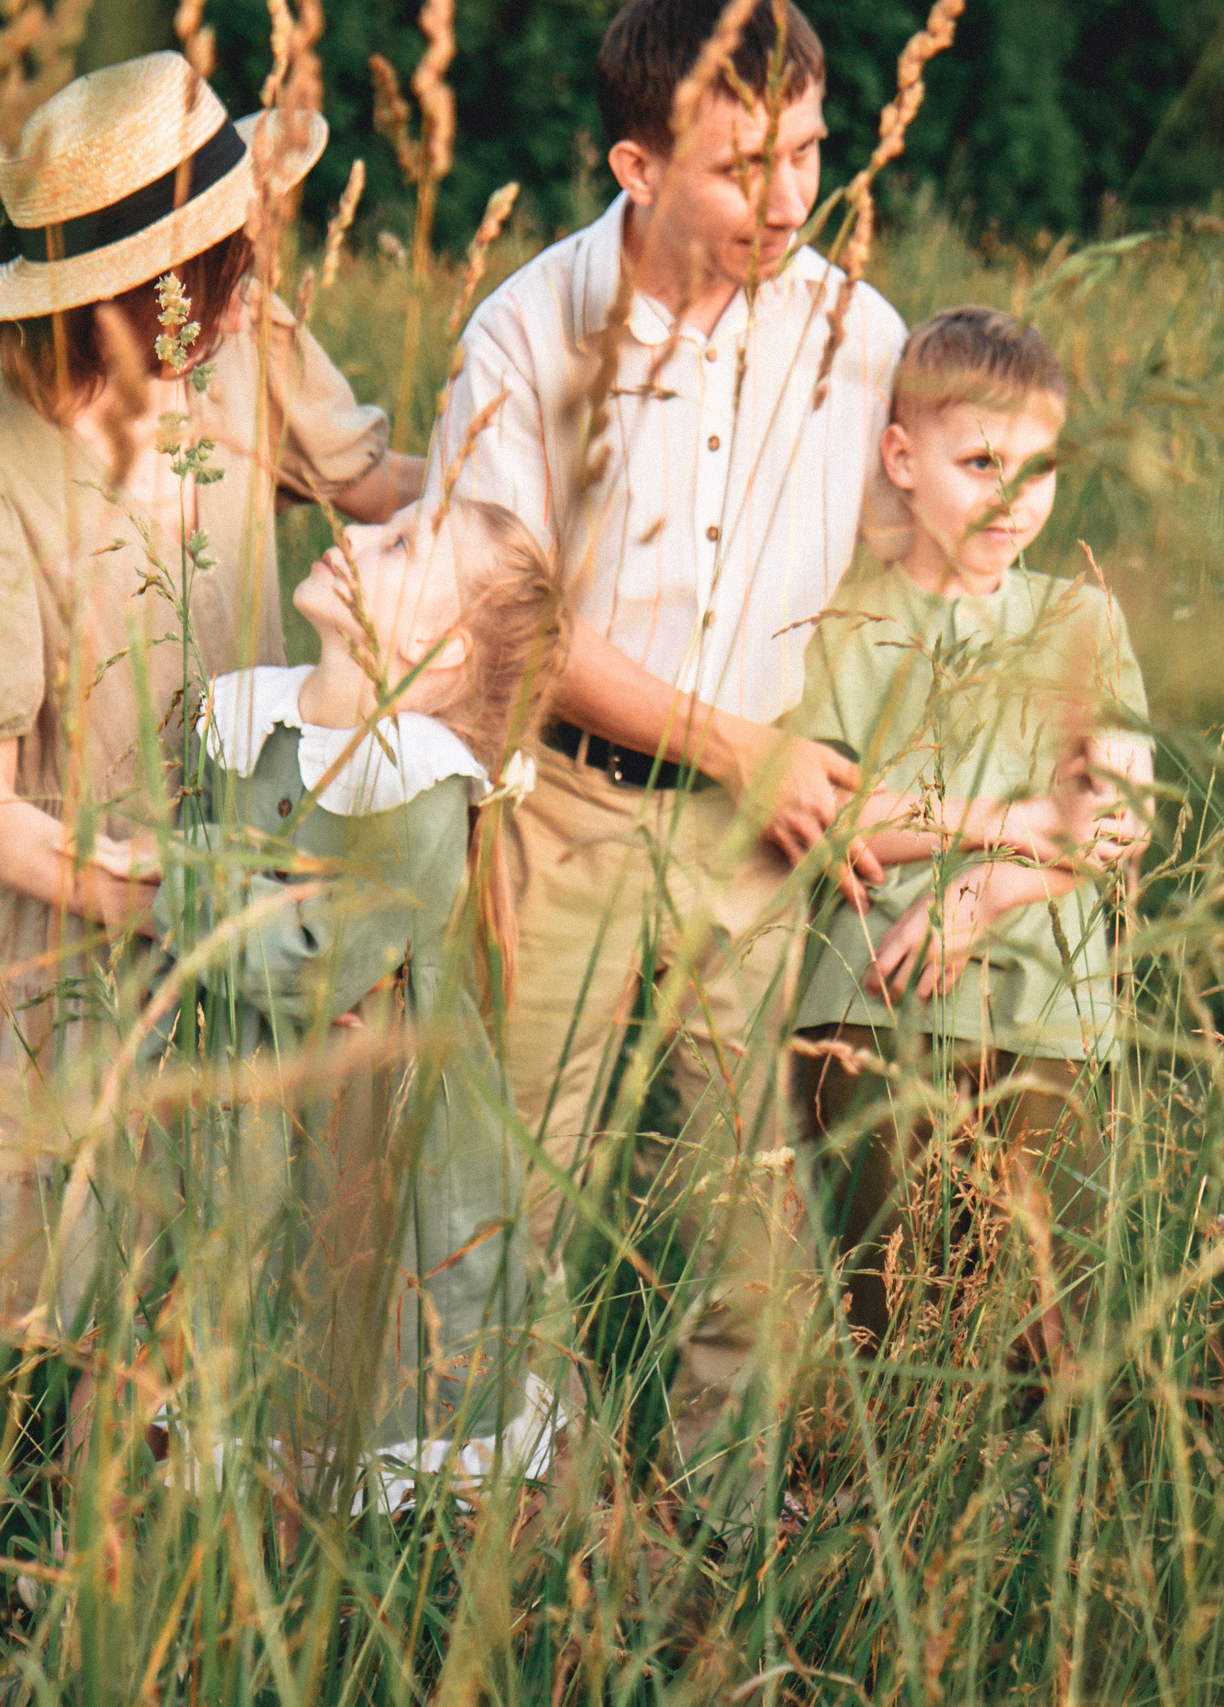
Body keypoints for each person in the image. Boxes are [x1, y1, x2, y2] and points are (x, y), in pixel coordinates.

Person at [0, 51, 425, 1337]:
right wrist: (168, 892)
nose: (242, 297)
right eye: (218, 271)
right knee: (62, 1276)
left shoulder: (234, 338)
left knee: (257, 1242)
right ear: (111, 302)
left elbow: (373, 486)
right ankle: (22, 1483)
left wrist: (536, 498)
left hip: (272, 861)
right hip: (76, 912)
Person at [423, 0, 908, 1446]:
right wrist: (726, 741)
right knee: (503, 1203)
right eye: (738, 167)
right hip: (555, 807)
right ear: (636, 167)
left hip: (763, 837)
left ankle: (720, 1568)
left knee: (753, 1230)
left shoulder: (858, 333)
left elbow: (901, 583)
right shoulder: (524, 327)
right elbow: (507, 613)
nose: (787, 199)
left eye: (810, 152)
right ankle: (515, 1530)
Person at [148, 498, 568, 1505]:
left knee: (355, 1292)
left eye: (400, 544)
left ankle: (361, 1516)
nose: (355, 535)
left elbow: (311, 965)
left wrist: (185, 881)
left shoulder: (416, 781)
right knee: (236, 1247)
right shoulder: (246, 719)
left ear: (437, 649)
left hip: (365, 1120)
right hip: (240, 1085)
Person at [781, 306, 1154, 1373]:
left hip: (1045, 1005)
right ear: (902, 456)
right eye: (979, 460)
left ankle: (1027, 1511)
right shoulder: (848, 618)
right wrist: (1026, 820)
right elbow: (831, 818)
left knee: (1039, 1305)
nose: (1010, 497)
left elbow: (1120, 814)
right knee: (882, 1300)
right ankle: (866, 1510)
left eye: (1037, 468)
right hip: (873, 998)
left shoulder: (1080, 619)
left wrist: (981, 890)